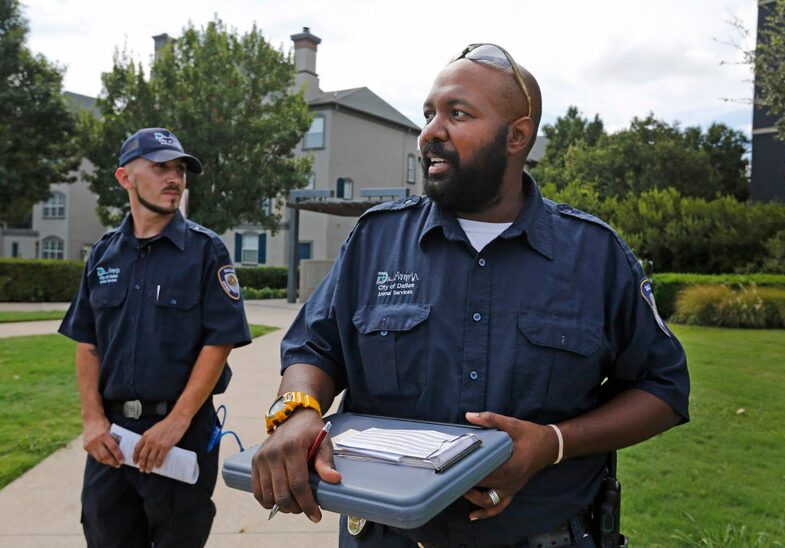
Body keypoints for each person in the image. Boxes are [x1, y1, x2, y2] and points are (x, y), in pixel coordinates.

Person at [251, 44, 690, 547]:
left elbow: (663, 388)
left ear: (517, 135)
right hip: (385, 536)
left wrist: (552, 444)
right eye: (428, 114)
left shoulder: (594, 255)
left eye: (457, 114)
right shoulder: (376, 240)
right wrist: (299, 411)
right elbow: (315, 346)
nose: (431, 132)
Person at [59, 127, 251, 547]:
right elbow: (87, 341)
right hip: (112, 438)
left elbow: (218, 342)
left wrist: (174, 424)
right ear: (125, 177)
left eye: (180, 169)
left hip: (180, 436)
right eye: (161, 167)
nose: (175, 178)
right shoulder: (104, 253)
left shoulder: (206, 251)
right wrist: (92, 420)